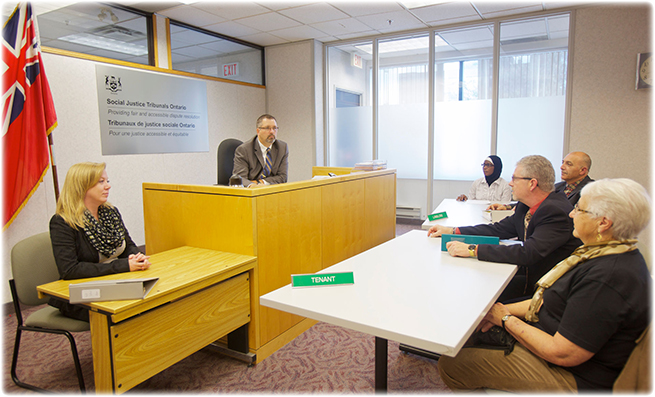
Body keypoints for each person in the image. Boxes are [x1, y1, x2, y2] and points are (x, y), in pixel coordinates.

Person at [438, 178, 651, 392]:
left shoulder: (607, 277)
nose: (571, 214)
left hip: (575, 377)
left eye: (579, 209)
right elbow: (549, 300)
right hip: (551, 334)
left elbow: (563, 353)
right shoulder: (603, 253)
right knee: (470, 333)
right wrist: (490, 312)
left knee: (451, 364)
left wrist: (504, 318)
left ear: (603, 223)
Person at [428, 155, 581, 302]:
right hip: (530, 276)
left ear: (532, 184)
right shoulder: (525, 206)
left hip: (545, 292)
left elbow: (528, 253)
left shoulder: (555, 211)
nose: (510, 183)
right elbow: (498, 229)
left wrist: (472, 249)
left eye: (515, 178)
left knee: (474, 296)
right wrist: (453, 231)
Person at [49, 162, 151, 321]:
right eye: (101, 182)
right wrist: (123, 266)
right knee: (132, 312)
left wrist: (136, 257)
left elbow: (128, 246)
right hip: (82, 293)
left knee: (154, 300)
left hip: (115, 281)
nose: (108, 186)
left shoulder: (110, 212)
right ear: (82, 186)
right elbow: (70, 270)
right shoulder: (63, 222)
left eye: (107, 181)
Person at [233, 114, 289, 187]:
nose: (272, 131)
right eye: (267, 128)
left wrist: (260, 182)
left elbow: (283, 177)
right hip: (251, 193)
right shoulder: (244, 150)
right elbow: (240, 179)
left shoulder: (282, 147)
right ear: (258, 131)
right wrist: (252, 185)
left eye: (274, 128)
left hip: (271, 191)